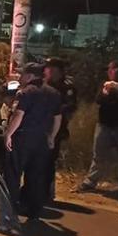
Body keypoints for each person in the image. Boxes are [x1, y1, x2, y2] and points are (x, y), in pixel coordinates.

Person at [3, 62, 63, 222]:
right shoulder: (54, 93)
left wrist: (8, 134)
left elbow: (19, 115)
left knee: (13, 174)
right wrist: (51, 137)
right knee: (36, 176)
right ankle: (34, 211)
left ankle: (11, 209)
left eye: (22, 75)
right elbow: (58, 118)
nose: (20, 77)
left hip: (23, 138)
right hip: (42, 140)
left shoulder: (26, 92)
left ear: (30, 76)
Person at [76, 60, 118, 199]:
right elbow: (99, 100)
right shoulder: (106, 85)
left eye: (112, 69)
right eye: (109, 70)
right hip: (105, 126)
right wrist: (106, 93)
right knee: (98, 155)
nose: (109, 72)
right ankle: (90, 181)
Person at [43, 57, 77, 200]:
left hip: (56, 129)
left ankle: (47, 192)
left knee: (49, 160)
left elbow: (71, 106)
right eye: (47, 68)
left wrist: (54, 109)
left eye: (52, 68)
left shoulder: (66, 87)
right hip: (39, 127)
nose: (48, 71)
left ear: (60, 71)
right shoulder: (41, 84)